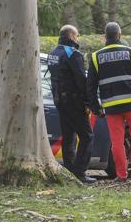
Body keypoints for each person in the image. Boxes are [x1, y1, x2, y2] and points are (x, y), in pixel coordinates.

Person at [87, 22, 131, 182]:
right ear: (120, 35)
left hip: (111, 106)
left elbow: (91, 86)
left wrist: (96, 107)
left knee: (116, 141)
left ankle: (121, 174)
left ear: (104, 37)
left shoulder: (96, 57)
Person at [47, 25, 96, 184]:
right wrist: (89, 102)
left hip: (60, 101)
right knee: (87, 136)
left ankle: (69, 170)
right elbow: (81, 81)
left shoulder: (53, 53)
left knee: (68, 136)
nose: (78, 36)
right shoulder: (73, 54)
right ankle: (80, 172)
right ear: (70, 36)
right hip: (74, 102)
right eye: (76, 34)